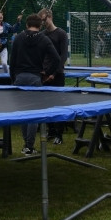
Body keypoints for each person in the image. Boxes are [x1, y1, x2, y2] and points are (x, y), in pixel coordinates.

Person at [9, 14, 63, 155]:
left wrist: (13, 79)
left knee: (23, 111)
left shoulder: (18, 38)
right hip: (35, 77)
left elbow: (12, 61)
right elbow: (57, 59)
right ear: (40, 26)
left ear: (27, 24)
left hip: (20, 77)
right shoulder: (44, 39)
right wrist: (48, 72)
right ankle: (29, 145)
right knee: (34, 112)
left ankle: (26, 144)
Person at [39, 8, 70, 143]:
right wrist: (43, 72)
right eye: (41, 21)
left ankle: (59, 134)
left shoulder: (61, 33)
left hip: (57, 74)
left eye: (44, 20)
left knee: (59, 104)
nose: (43, 23)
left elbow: (63, 56)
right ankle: (50, 130)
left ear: (50, 17)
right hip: (44, 73)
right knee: (46, 103)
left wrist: (54, 73)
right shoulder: (42, 35)